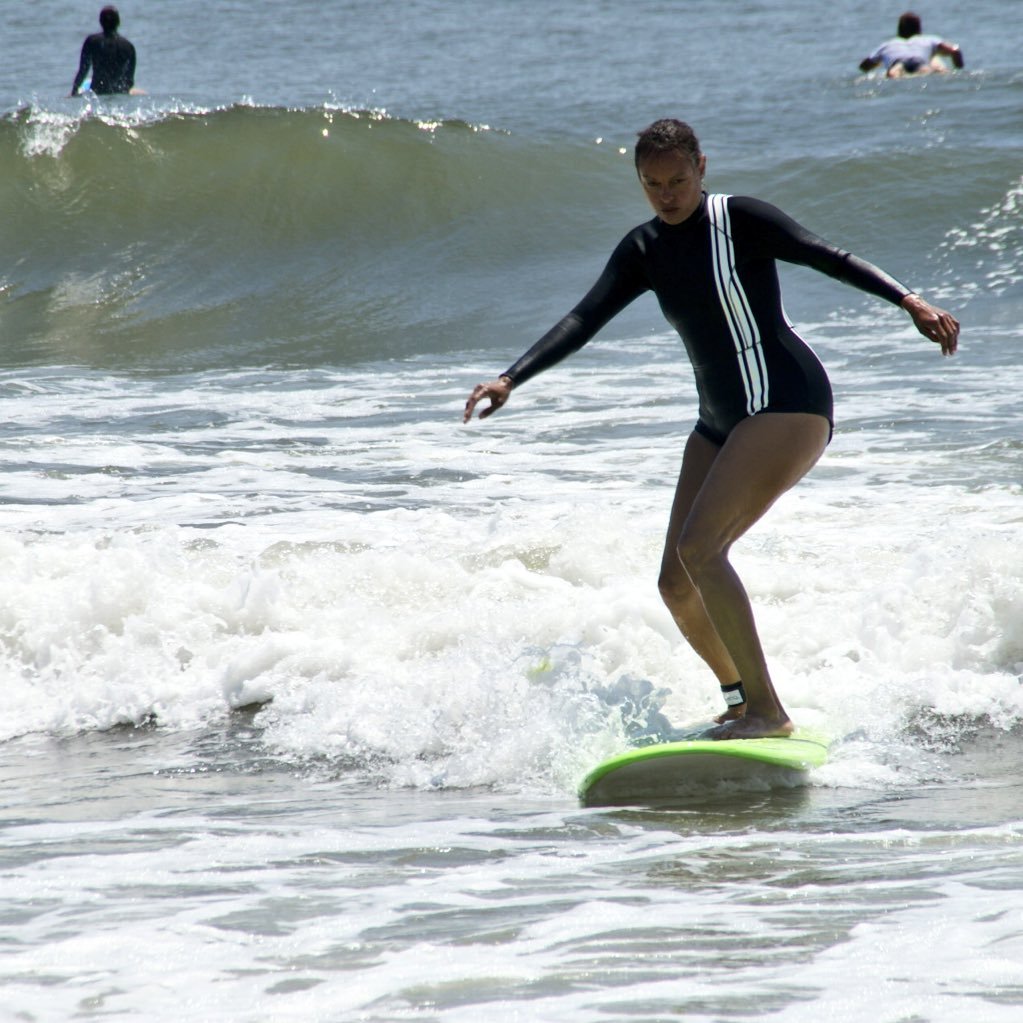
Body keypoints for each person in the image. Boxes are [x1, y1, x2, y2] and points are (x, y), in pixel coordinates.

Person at [462, 118, 959, 740]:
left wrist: (908, 300)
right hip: (718, 420)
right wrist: (511, 378)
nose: (666, 194)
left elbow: (827, 257)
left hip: (786, 402)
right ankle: (737, 696)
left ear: (702, 166)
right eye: (652, 184)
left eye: (676, 179)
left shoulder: (740, 219)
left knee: (703, 551)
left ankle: (767, 712)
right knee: (675, 580)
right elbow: (584, 317)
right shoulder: (644, 248)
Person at [859, 12, 964, 78]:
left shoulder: (887, 45)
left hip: (897, 63)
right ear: (919, 29)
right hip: (919, 61)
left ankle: (894, 72)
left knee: (894, 72)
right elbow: (955, 51)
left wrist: (879, 62)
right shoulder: (928, 39)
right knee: (933, 69)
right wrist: (958, 69)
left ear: (899, 30)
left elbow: (864, 66)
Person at [70, 6, 136, 96]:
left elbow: (83, 71)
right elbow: (129, 80)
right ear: (118, 22)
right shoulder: (128, 46)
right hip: (120, 95)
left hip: (98, 93)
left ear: (101, 22)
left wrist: (74, 92)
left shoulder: (91, 41)